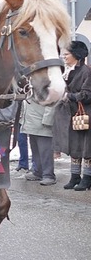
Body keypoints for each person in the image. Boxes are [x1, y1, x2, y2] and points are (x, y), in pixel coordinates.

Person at [54, 40, 91, 190]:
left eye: (67, 53)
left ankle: (87, 178)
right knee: (75, 146)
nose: (64, 55)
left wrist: (69, 96)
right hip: (73, 114)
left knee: (86, 147)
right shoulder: (69, 70)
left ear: (77, 55)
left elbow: (87, 95)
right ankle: (75, 176)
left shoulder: (86, 71)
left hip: (85, 115)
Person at [20, 97, 57, 186]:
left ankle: (48, 175)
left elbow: (53, 101)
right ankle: (38, 172)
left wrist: (48, 120)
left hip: (42, 123)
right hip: (32, 122)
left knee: (45, 151)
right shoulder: (31, 84)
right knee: (36, 151)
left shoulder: (48, 83)